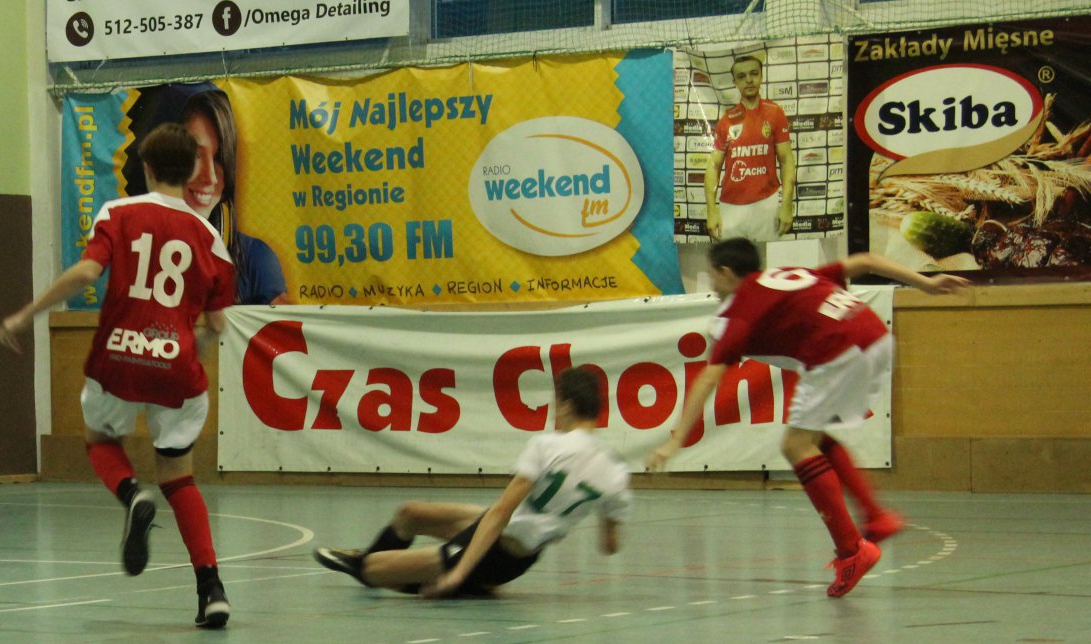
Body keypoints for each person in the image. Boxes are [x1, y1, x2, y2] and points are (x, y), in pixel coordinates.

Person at [0, 122, 237, 628]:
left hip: (120, 357)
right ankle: (211, 589)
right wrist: (189, 349)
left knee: (100, 439)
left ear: (145, 168)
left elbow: (87, 272)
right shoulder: (211, 237)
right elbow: (217, 324)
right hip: (176, 365)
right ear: (193, 172)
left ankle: (132, 494)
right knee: (179, 475)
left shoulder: (118, 213)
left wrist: (26, 314)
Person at [647, 238, 963, 597]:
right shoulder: (786, 276)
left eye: (712, 276)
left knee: (795, 445)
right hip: (874, 337)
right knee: (814, 439)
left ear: (726, 272)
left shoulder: (742, 310)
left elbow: (708, 379)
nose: (712, 286)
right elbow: (864, 260)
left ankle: (851, 551)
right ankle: (876, 517)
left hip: (838, 352)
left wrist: (676, 439)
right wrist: (925, 283)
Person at [313, 370, 631, 599]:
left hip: (499, 553)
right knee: (410, 513)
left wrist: (459, 572)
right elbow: (609, 547)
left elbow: (501, 513)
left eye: (556, 403)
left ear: (567, 405)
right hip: (515, 544)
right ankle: (448, 576)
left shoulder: (548, 446)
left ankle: (462, 583)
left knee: (370, 568)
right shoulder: (615, 471)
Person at [126, 84, 288, 306]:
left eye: (220, 157)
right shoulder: (129, 256)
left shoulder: (255, 259)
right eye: (194, 155)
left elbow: (282, 327)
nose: (210, 177)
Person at [704, 53, 795, 245]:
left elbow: (786, 160)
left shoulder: (775, 113)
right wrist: (711, 210)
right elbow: (713, 166)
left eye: (754, 73)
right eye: (742, 76)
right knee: (733, 262)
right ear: (735, 82)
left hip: (767, 203)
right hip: (731, 207)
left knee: (764, 261)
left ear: (761, 76)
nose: (749, 80)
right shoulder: (727, 120)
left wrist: (787, 204)